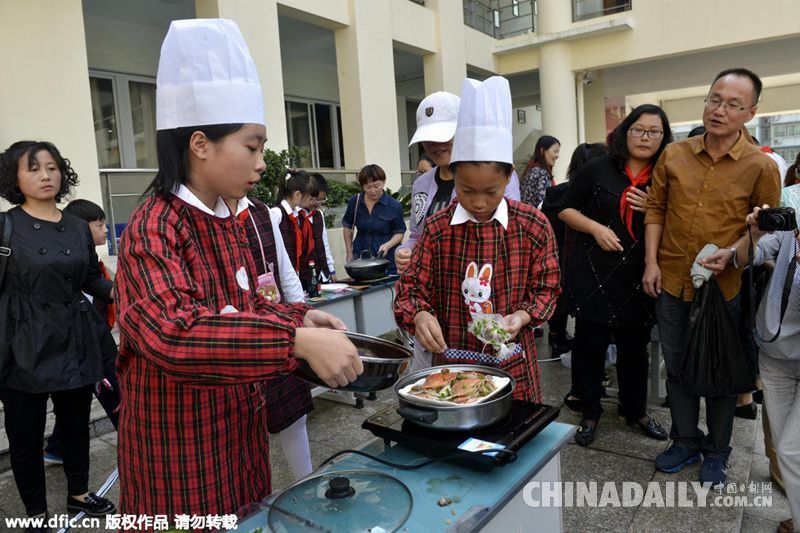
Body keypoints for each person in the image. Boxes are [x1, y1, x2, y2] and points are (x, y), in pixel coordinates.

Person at [113, 19, 362, 516]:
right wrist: (293, 341)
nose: (261, 163)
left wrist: (298, 318)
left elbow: (243, 306)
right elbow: (175, 334)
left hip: (239, 435)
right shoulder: (154, 226)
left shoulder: (232, 217)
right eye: (252, 146)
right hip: (179, 456)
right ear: (200, 144)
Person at [643, 68, 781, 487]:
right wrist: (650, 263)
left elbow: (763, 230)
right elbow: (656, 210)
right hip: (670, 278)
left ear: (751, 113)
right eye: (714, 99)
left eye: (733, 104)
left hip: (725, 287)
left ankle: (718, 451)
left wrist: (736, 254)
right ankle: (685, 439)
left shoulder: (761, 167)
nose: (719, 110)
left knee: (720, 373)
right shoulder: (674, 154)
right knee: (679, 366)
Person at [394, 76, 561, 403]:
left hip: (512, 363)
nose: (480, 203)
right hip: (451, 366)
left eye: (492, 191)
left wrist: (524, 316)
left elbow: (548, 285)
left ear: (509, 176)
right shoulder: (439, 227)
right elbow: (411, 285)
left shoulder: (531, 225)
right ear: (452, 174)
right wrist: (420, 314)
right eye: (467, 191)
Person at [0, 141, 117, 519]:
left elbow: (88, 279)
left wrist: (124, 288)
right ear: (15, 178)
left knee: (75, 424)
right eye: (33, 168)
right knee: (25, 435)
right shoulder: (5, 226)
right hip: (23, 341)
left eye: (51, 167)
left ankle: (79, 494)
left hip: (74, 335)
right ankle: (35, 513)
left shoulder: (75, 227)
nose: (45, 175)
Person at [559, 104, 672, 446]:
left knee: (634, 349)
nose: (645, 137)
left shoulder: (666, 176)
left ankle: (634, 410)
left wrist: (656, 205)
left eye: (654, 131)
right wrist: (594, 228)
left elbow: (679, 222)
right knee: (589, 347)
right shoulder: (598, 168)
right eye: (639, 129)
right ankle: (590, 411)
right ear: (625, 131)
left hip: (639, 273)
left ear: (664, 137)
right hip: (594, 270)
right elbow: (563, 208)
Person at [397, 91, 522, 372]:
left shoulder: (494, 173)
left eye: (445, 136)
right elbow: (417, 233)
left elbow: (505, 232)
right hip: (433, 295)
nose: (437, 145)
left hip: (480, 295)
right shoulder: (422, 184)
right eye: (430, 138)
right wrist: (405, 252)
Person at [227, 194, 314, 481]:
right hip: (235, 337)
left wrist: (302, 313)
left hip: (275, 323)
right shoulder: (205, 216)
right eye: (251, 149)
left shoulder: (262, 213)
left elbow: (285, 269)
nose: (260, 165)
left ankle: (305, 481)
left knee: (294, 416)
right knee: (244, 422)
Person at [733, 204, 800, 533]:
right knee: (785, 448)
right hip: (775, 353)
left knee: (790, 450)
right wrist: (755, 234)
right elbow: (749, 257)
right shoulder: (792, 209)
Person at [44, 199, 121, 465]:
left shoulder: (91, 261)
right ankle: (134, 441)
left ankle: (56, 448)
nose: (106, 230)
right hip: (83, 341)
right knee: (114, 389)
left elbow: (95, 285)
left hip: (94, 335)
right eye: (100, 225)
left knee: (82, 397)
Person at [541, 142, 607, 414]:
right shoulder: (591, 199)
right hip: (588, 273)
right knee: (593, 339)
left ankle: (580, 391)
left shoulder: (557, 194)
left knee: (584, 339)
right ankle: (589, 389)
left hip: (564, 269)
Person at [272, 169, 332, 291]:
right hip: (287, 277)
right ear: (298, 194)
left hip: (296, 276)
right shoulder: (276, 214)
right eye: (311, 197)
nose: (314, 201)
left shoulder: (295, 214)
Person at [342, 164, 406, 276]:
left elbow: (399, 233)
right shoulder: (355, 201)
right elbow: (348, 227)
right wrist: (349, 252)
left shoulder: (394, 206)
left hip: (386, 260)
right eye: (367, 187)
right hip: (360, 259)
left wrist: (388, 245)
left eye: (376, 186)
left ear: (383, 182)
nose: (372, 191)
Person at [301, 172, 337, 282]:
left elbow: (324, 243)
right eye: (316, 199)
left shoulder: (318, 214)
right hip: (304, 275)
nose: (318, 203)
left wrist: (331, 270)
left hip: (322, 273)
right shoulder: (295, 216)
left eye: (322, 200)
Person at [521, 135, 560, 208]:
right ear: (542, 151)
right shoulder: (541, 173)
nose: (557, 155)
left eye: (558, 152)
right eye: (555, 151)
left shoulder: (531, 170)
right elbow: (543, 204)